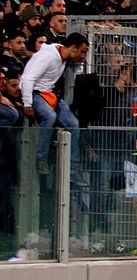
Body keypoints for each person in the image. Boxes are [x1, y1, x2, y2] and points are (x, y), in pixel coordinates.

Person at [20, 31, 90, 187]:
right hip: (35, 92)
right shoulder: (48, 56)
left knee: (73, 123)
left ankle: (72, 170)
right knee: (50, 117)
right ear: (73, 48)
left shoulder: (63, 57)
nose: (83, 56)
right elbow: (28, 78)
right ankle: (41, 159)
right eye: (82, 52)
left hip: (49, 93)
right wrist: (27, 103)